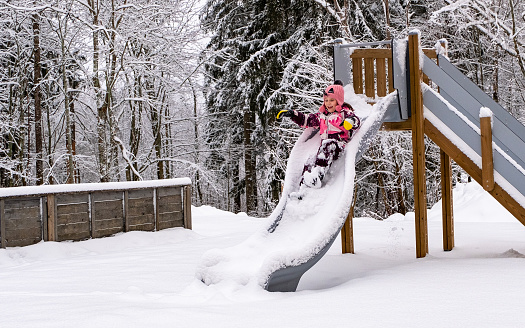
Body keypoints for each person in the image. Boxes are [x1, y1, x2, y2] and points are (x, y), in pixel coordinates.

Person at [277, 80, 360, 189]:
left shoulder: (344, 113)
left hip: (338, 146)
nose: (328, 103)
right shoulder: (321, 116)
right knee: (310, 161)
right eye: (326, 100)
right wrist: (293, 114)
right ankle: (303, 187)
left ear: (338, 101)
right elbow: (307, 120)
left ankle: (318, 175)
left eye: (331, 100)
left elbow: (356, 120)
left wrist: (350, 122)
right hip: (324, 148)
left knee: (328, 145)